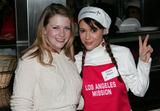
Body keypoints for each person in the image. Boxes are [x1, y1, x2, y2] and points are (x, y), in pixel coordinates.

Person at [75, 6, 153, 111]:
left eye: (93, 30)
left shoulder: (122, 54)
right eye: (83, 31)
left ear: (105, 30)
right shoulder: (76, 60)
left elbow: (140, 91)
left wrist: (143, 62)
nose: (87, 37)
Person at [10, 3, 82, 111]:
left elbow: (73, 99)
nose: (62, 34)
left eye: (66, 28)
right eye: (55, 28)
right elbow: (20, 105)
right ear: (44, 30)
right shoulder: (30, 59)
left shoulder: (68, 58)